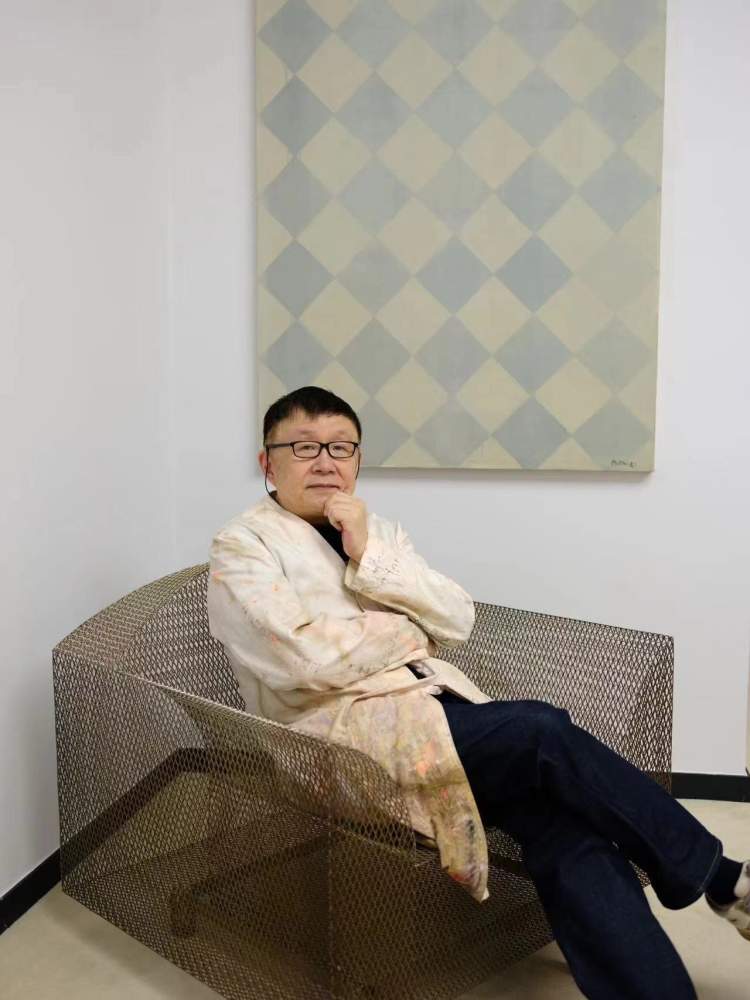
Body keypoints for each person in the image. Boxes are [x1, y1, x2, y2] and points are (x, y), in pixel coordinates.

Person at [207, 385, 749, 999]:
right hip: (340, 740)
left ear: (358, 460)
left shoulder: (376, 531)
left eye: (341, 447)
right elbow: (301, 659)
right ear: (268, 462)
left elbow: (457, 618)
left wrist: (369, 555)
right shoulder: (241, 546)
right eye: (304, 447)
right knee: (539, 730)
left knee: (568, 828)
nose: (325, 462)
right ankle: (717, 876)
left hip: (434, 714)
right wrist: (410, 631)